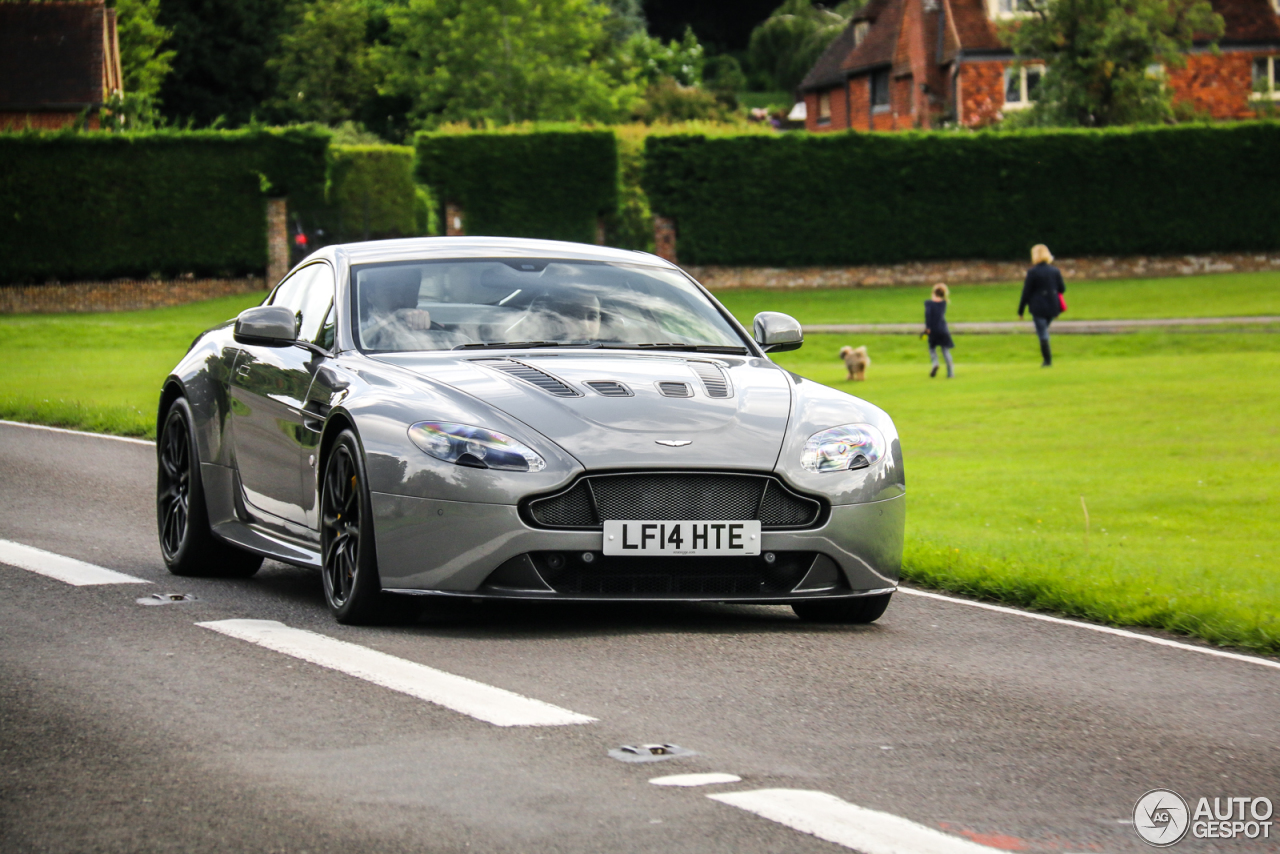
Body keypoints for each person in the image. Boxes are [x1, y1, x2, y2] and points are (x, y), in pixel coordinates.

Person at [1018, 244, 1066, 367]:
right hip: (1052, 306)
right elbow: (1062, 288)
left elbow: (1026, 292)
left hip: (1038, 306)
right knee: (1044, 330)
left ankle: (1047, 361)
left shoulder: (1033, 272)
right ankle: (1047, 359)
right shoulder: (1055, 271)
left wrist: (1021, 309)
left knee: (1042, 332)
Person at [924, 283, 954, 378]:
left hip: (933, 330)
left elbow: (928, 316)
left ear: (933, 293)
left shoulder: (928, 303)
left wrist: (927, 328)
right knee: (945, 351)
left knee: (932, 348)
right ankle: (950, 373)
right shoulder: (943, 303)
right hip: (943, 329)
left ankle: (935, 363)